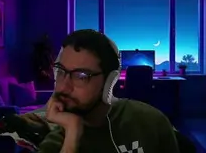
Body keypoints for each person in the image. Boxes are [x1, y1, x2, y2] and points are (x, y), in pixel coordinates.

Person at [36, 29, 179, 152]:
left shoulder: (151, 122)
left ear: (108, 82)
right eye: (60, 71)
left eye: (81, 76)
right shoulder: (57, 142)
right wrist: (72, 135)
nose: (63, 87)